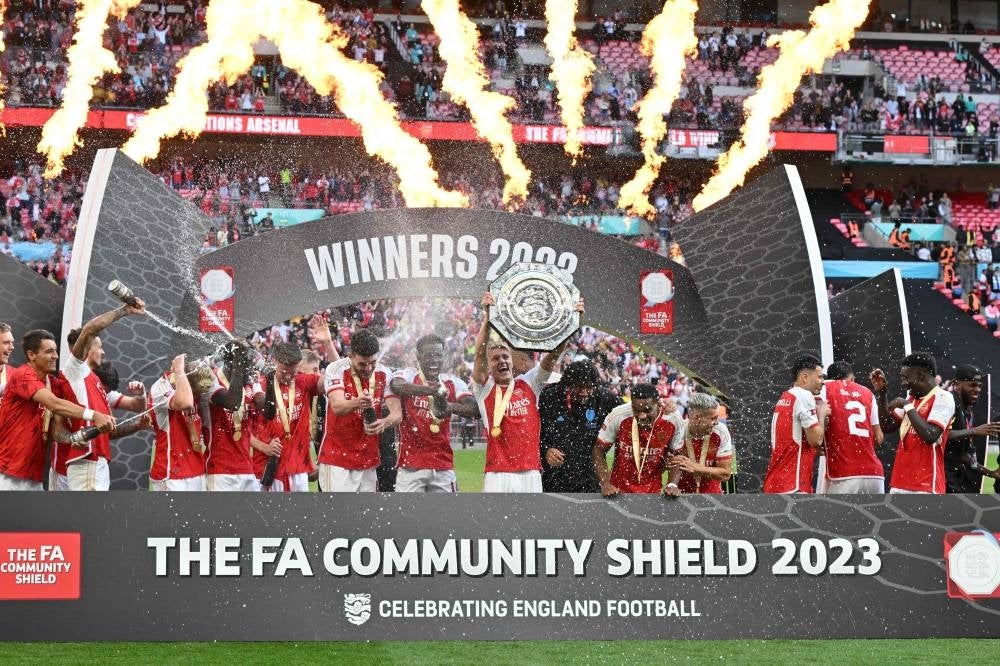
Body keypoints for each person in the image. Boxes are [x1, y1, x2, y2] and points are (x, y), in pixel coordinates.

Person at [472, 292, 583, 493]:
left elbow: (552, 357)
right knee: (497, 524)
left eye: (505, 356)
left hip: (531, 472)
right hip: (497, 473)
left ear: (512, 362)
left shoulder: (529, 384)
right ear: (489, 365)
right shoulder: (484, 389)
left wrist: (571, 322)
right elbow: (479, 353)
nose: (501, 361)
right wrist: (488, 319)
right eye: (495, 358)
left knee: (530, 524)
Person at [47, 301, 147, 491]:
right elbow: (90, 328)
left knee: (91, 518)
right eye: (99, 346)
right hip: (86, 459)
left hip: (97, 461)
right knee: (86, 519)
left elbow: (109, 431)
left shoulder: (95, 382)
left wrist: (137, 426)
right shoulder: (75, 370)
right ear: (87, 348)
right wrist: (125, 310)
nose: (103, 351)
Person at [0, 330, 115, 491]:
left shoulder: (53, 383)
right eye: (49, 351)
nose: (55, 356)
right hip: (7, 471)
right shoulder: (22, 375)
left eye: (55, 350)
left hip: (34, 475)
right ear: (31, 355)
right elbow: (54, 403)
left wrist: (72, 438)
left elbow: (56, 428)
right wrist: (93, 415)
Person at [254, 316, 337, 491]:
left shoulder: (304, 382)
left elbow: (339, 375)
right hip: (267, 468)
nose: (289, 376)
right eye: (285, 371)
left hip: (298, 470)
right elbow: (243, 428)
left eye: (294, 371)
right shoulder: (259, 386)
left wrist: (328, 344)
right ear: (275, 361)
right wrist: (264, 447)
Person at [390, 334, 478, 493]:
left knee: (445, 517)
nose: (434, 360)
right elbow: (396, 385)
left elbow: (475, 410)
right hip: (410, 467)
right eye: (428, 355)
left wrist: (449, 406)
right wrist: (431, 390)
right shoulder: (409, 375)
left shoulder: (452, 382)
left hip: (443, 468)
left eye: (438, 355)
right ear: (418, 356)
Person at [318, 328, 401, 492]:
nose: (368, 368)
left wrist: (383, 423)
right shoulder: (336, 369)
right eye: (362, 364)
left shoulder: (384, 373)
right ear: (350, 356)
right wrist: (358, 402)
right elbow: (337, 406)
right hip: (337, 460)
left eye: (372, 363)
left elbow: (397, 414)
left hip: (368, 461)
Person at [873, 352, 955, 494]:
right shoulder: (911, 400)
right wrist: (882, 394)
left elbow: (930, 435)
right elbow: (887, 426)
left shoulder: (943, 397)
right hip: (900, 482)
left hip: (926, 485)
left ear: (921, 376)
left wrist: (906, 405)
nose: (903, 383)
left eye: (905, 378)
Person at [538, 360, 621, 493]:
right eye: (579, 387)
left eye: (589, 387)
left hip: (591, 475)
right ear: (568, 385)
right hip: (555, 477)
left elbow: (627, 415)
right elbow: (534, 434)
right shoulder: (550, 398)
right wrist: (546, 450)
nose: (584, 392)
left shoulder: (604, 398)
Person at [592, 383, 685, 496]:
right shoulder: (618, 415)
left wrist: (672, 485)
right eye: (636, 410)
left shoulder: (673, 418)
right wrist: (605, 483)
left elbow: (678, 455)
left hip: (653, 492)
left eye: (647, 410)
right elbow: (598, 450)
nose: (641, 415)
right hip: (617, 490)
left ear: (658, 404)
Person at [204, 342, 265, 491]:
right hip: (219, 470)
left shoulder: (249, 384)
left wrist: (267, 379)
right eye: (247, 367)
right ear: (232, 364)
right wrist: (239, 359)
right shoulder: (211, 381)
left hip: (246, 467)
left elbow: (267, 410)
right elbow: (233, 402)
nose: (250, 371)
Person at [148, 354, 215, 491]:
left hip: (197, 470)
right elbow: (186, 402)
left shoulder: (194, 384)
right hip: (172, 474)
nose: (196, 396)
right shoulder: (160, 387)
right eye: (195, 392)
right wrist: (179, 369)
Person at [763, 354, 827, 493]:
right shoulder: (804, 395)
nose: (823, 382)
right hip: (792, 484)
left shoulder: (786, 396)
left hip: (777, 482)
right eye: (820, 377)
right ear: (805, 377)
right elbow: (816, 440)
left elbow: (795, 442)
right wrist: (821, 415)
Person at [818, 361, 885, 493]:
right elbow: (879, 438)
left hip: (843, 474)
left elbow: (814, 432)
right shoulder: (868, 393)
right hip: (874, 474)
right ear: (852, 379)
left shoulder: (824, 388)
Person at [944, 364, 1000, 493]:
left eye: (980, 386)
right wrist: (974, 431)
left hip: (954, 476)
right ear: (956, 384)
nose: (978, 390)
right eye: (972, 385)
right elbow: (937, 435)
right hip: (940, 475)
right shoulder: (948, 401)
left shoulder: (968, 410)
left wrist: (991, 473)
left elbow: (964, 455)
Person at [665, 392, 733, 495]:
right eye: (713, 418)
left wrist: (696, 467)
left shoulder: (720, 431)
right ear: (697, 418)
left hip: (713, 498)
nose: (717, 422)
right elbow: (676, 463)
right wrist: (672, 485)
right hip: (681, 497)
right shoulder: (679, 430)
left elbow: (725, 474)